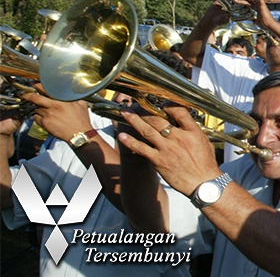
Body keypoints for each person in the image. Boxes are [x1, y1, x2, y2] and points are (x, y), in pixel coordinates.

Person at [118, 71, 280, 276]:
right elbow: (157, 228)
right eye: (256, 121)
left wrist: (205, 182)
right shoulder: (239, 170)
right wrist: (134, 149)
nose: (262, 138)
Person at [2, 90, 189, 277]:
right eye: (116, 89)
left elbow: (154, 226)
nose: (120, 98)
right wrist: (2, 135)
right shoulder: (70, 145)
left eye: (136, 92)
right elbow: (7, 196)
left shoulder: (187, 161)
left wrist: (81, 135)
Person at [180, 0, 280, 162]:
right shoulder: (243, 68)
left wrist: (271, 23)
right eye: (269, 32)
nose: (273, 35)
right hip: (238, 179)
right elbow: (191, 55)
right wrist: (209, 19)